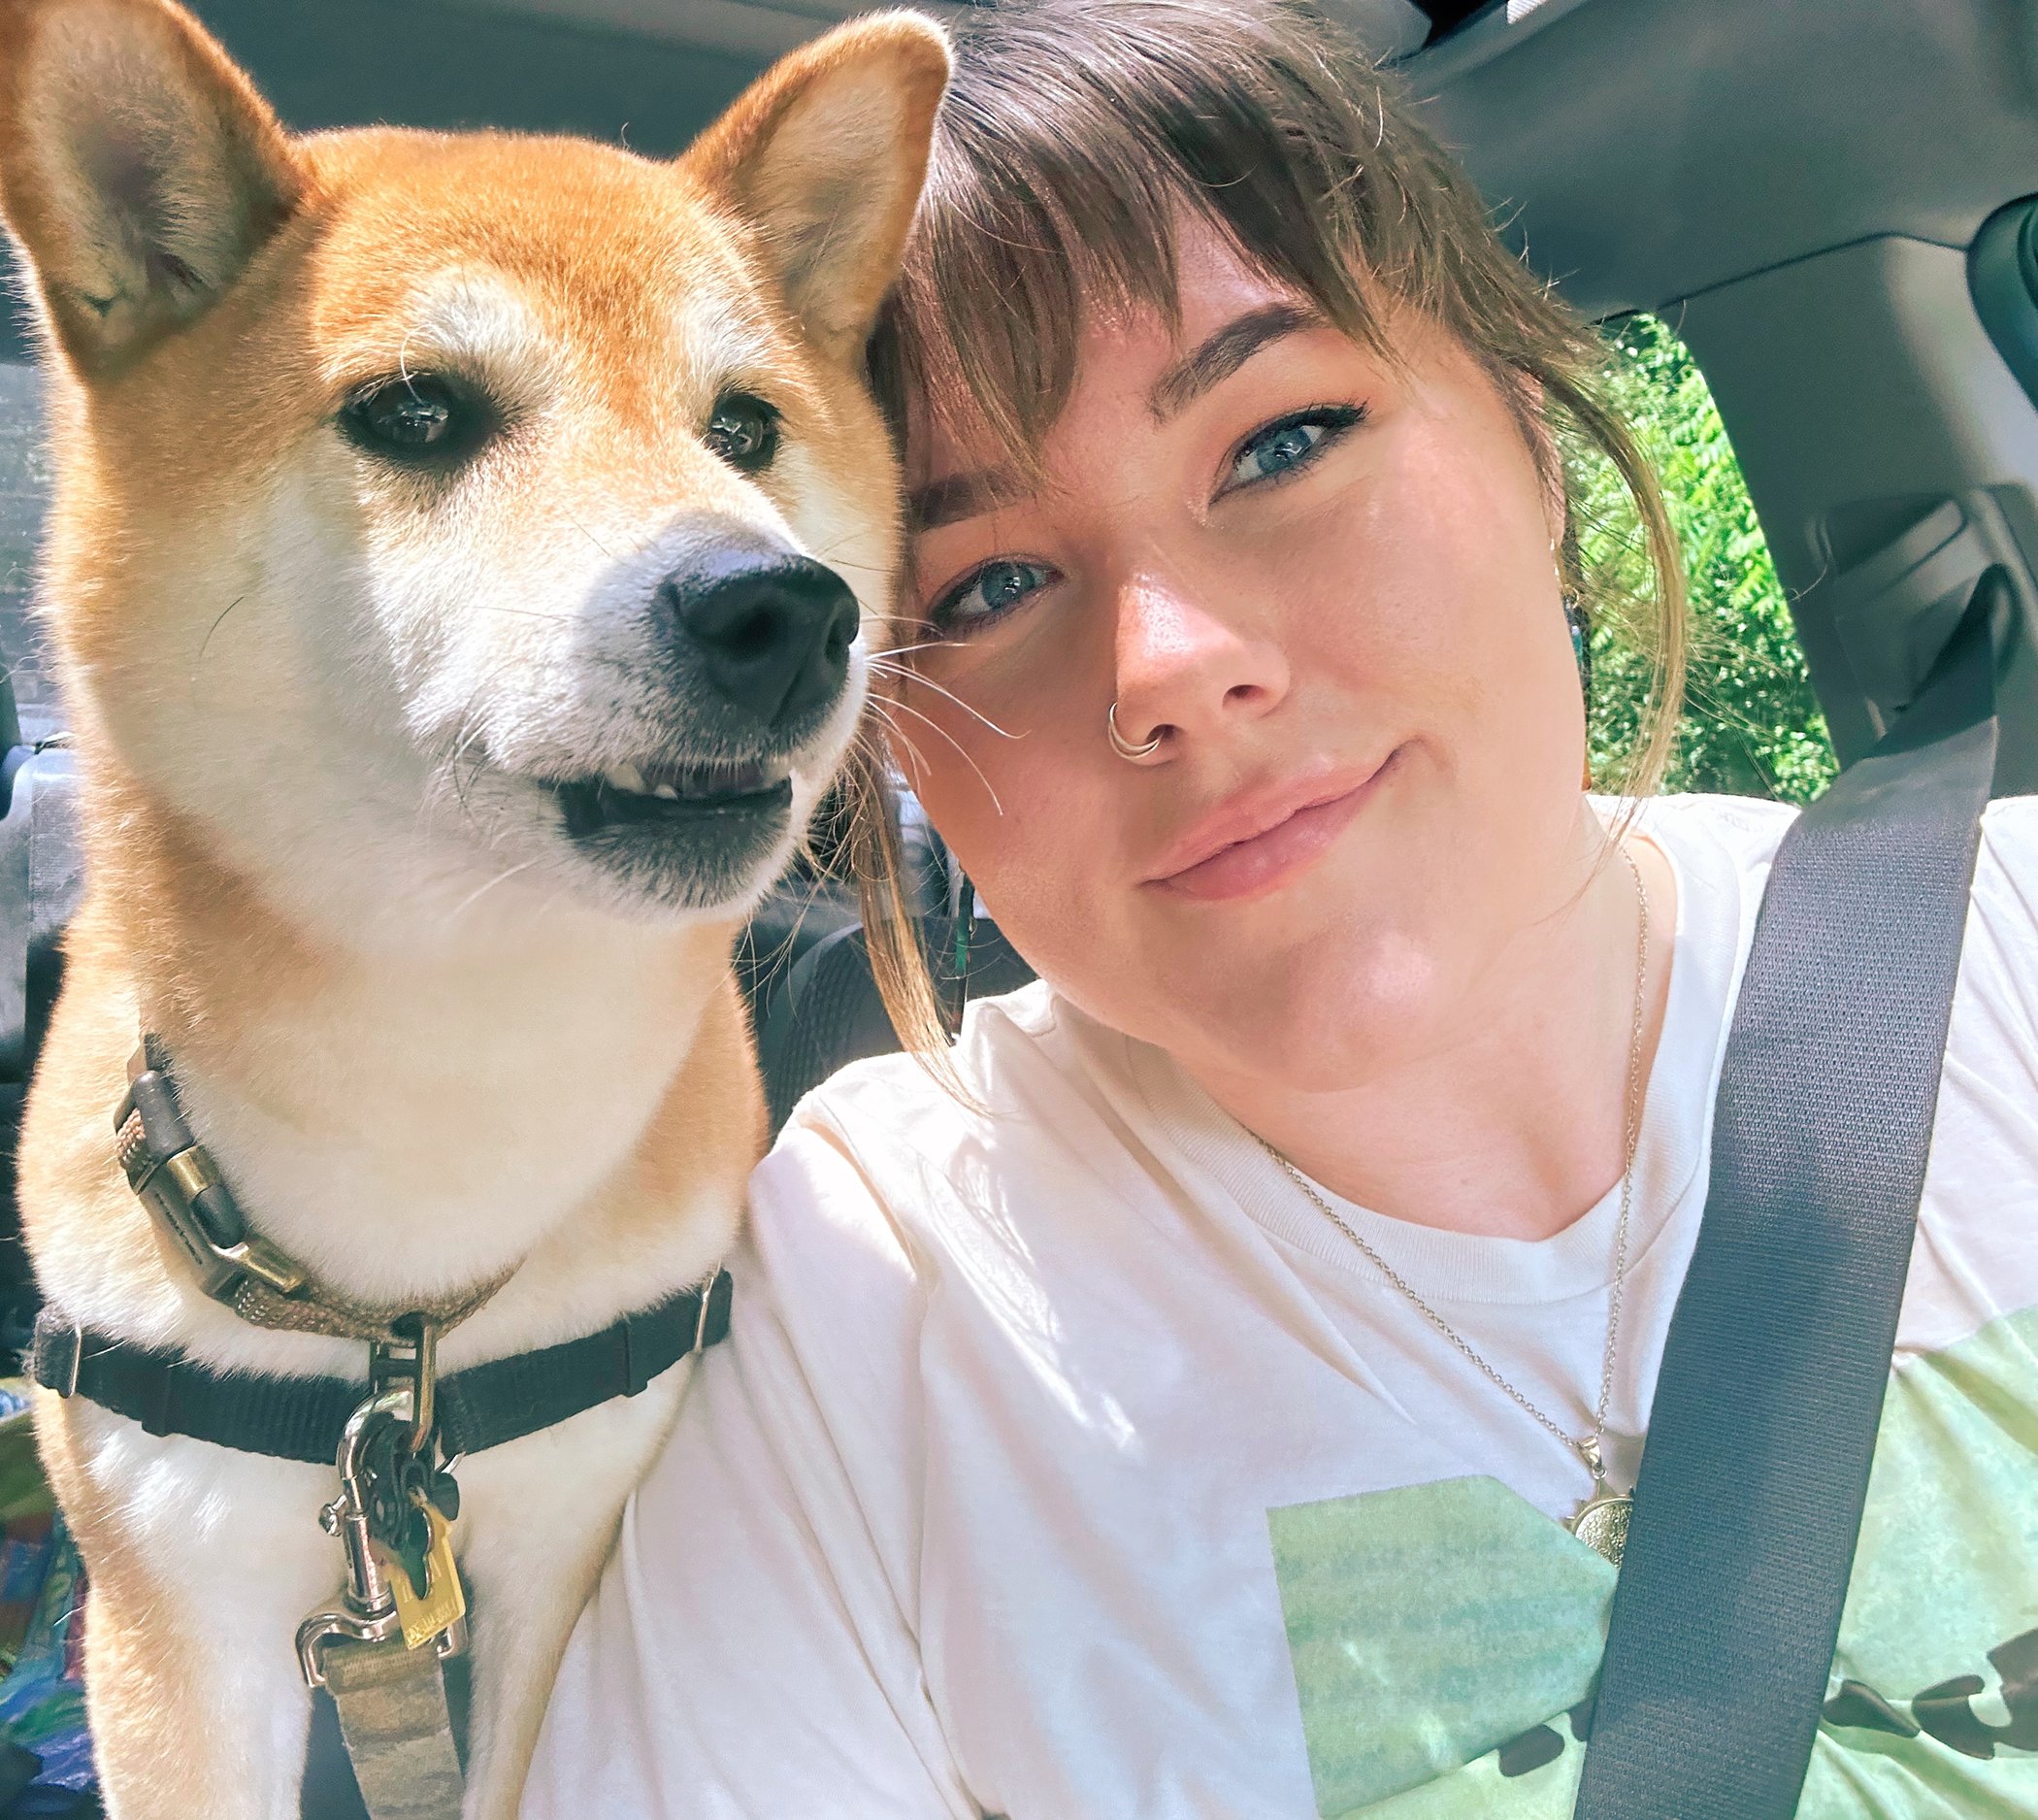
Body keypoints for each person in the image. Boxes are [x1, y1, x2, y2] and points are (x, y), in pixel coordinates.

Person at [519, 3, 2038, 1813]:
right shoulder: (878, 1303)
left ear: (1536, 453)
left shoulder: (2008, 948)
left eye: (1282, 440)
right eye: (988, 581)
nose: (1171, 668)